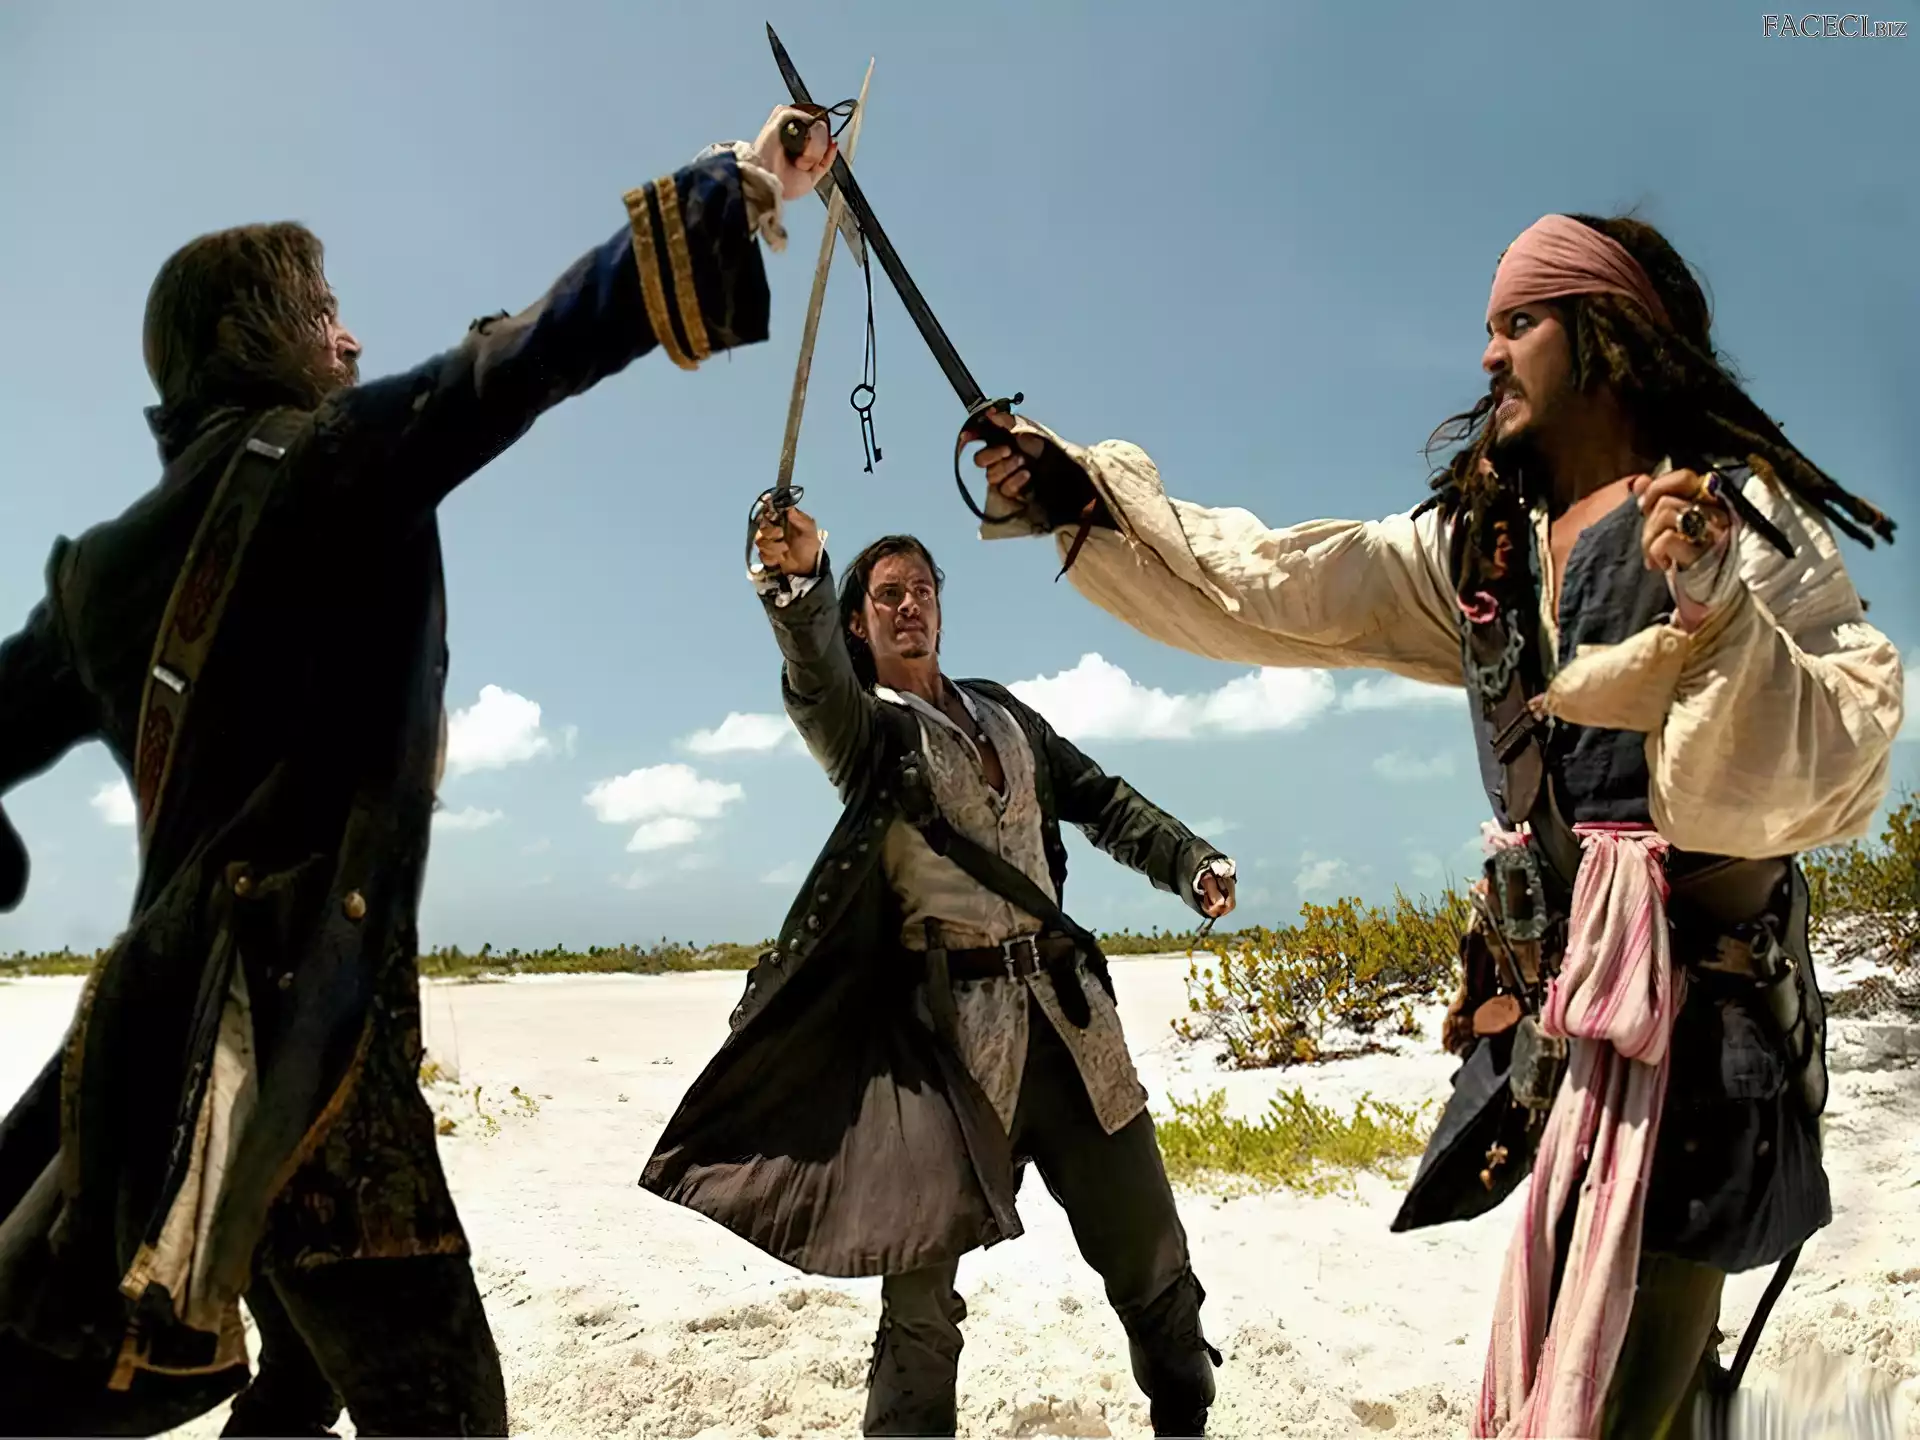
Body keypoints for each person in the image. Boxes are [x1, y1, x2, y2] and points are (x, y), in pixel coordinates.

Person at [966, 213, 1904, 1438]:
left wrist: (1717, 610)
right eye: (1489, 327)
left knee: (1627, 1385)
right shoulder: (1483, 547)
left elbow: (1846, 747)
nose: (1489, 355)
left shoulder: (1740, 512)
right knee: (1618, 1369)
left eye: (1520, 323)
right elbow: (1278, 583)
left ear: (1608, 335)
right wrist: (1081, 497)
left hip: (1709, 1025)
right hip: (1572, 1030)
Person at [0, 105, 838, 1437]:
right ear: (260, 336)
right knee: (442, 1412)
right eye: (327, 312)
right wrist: (738, 184)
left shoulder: (99, 573)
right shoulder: (327, 461)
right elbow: (526, 356)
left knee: (300, 1375)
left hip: (160, 1052)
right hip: (302, 1057)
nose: (351, 341)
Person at [642, 504, 1238, 1437]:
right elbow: (814, 677)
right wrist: (798, 585)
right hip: (947, 1054)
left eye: (922, 590)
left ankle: (1185, 1416)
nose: (910, 606)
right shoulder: (865, 730)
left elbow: (1100, 800)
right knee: (918, 1300)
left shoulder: (1005, 712)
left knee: (1153, 1255)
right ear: (859, 620)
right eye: (888, 595)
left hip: (1074, 1031)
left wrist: (1187, 860)